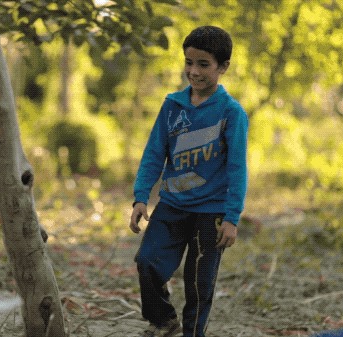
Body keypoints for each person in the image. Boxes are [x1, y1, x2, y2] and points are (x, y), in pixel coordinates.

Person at [129, 25, 248, 337]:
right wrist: (141, 196)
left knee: (200, 283)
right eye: (188, 62)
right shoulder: (172, 105)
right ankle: (164, 321)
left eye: (203, 64)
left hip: (212, 212)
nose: (193, 72)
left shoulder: (231, 113)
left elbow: (237, 168)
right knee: (147, 261)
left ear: (223, 67)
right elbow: (154, 152)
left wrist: (232, 217)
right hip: (171, 205)